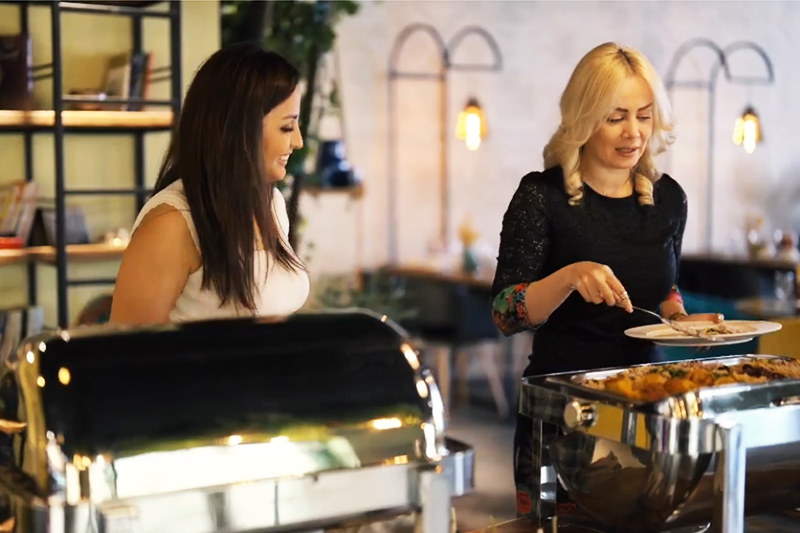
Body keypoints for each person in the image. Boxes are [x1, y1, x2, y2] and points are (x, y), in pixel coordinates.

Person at [490, 42, 723, 518]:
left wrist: (678, 318)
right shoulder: (541, 197)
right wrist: (569, 277)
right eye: (615, 117)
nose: (633, 132)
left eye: (644, 116)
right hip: (563, 414)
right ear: (583, 118)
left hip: (649, 408)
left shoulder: (669, 199)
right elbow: (504, 313)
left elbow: (663, 287)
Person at [110, 43, 310, 325]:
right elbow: (128, 346)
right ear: (240, 128)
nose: (298, 141)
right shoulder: (173, 223)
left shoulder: (272, 204)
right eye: (287, 127)